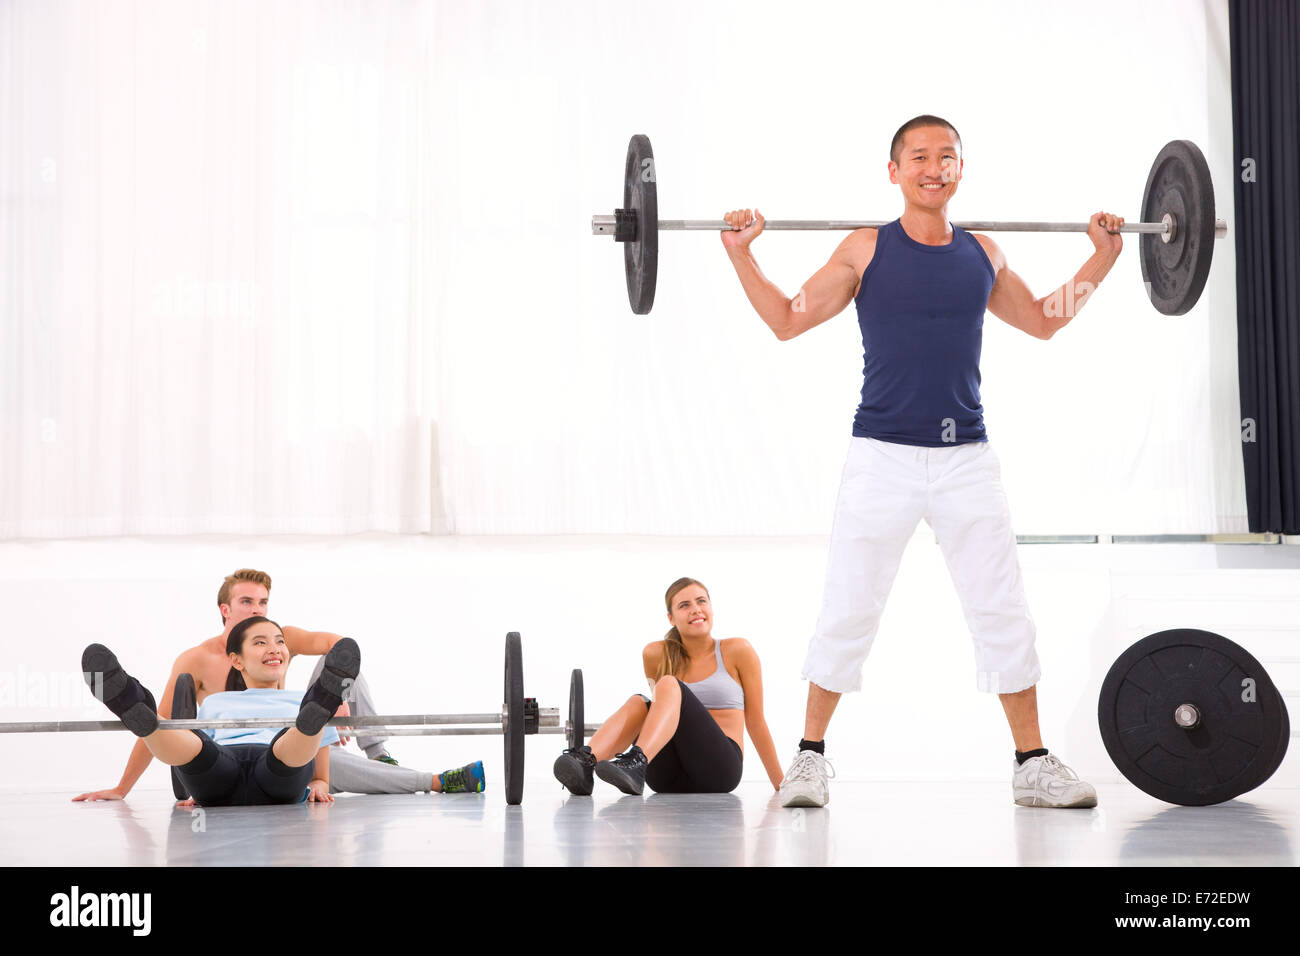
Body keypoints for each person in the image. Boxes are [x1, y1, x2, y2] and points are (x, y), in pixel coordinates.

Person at [721, 115, 1106, 810]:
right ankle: (808, 759)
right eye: (920, 157)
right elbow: (785, 319)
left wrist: (1103, 257)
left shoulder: (983, 254)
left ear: (962, 169)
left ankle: (1031, 762)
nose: (935, 167)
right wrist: (740, 254)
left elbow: (1047, 318)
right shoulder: (865, 250)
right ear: (894, 171)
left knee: (1003, 612)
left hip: (967, 461)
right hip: (882, 458)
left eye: (947, 156)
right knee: (848, 608)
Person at [73, 569, 482, 801]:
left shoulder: (278, 638)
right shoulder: (196, 660)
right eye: (248, 602)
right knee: (182, 739)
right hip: (225, 753)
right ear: (225, 609)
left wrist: (335, 696)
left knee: (322, 708)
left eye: (264, 602)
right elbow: (164, 725)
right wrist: (122, 789)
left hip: (291, 742)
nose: (258, 610)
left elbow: (341, 648)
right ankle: (126, 694)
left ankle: (379, 753)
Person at [81, 618, 355, 805]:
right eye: (260, 643)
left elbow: (320, 775)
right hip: (219, 772)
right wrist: (192, 787)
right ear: (237, 660)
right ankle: (136, 706)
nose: (274, 649)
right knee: (198, 749)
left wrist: (319, 784)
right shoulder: (217, 701)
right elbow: (191, 748)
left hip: (278, 771)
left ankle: (318, 707)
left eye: (280, 641)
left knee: (291, 739)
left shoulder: (302, 701)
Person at [552, 577, 784, 796]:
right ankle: (586, 763)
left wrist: (781, 785)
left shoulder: (737, 650)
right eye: (684, 605)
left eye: (701, 601)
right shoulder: (656, 654)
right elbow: (657, 716)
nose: (695, 609)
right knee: (640, 702)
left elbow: (756, 721)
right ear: (671, 618)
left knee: (669, 684)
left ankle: (636, 762)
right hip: (666, 777)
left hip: (719, 771)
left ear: (711, 609)